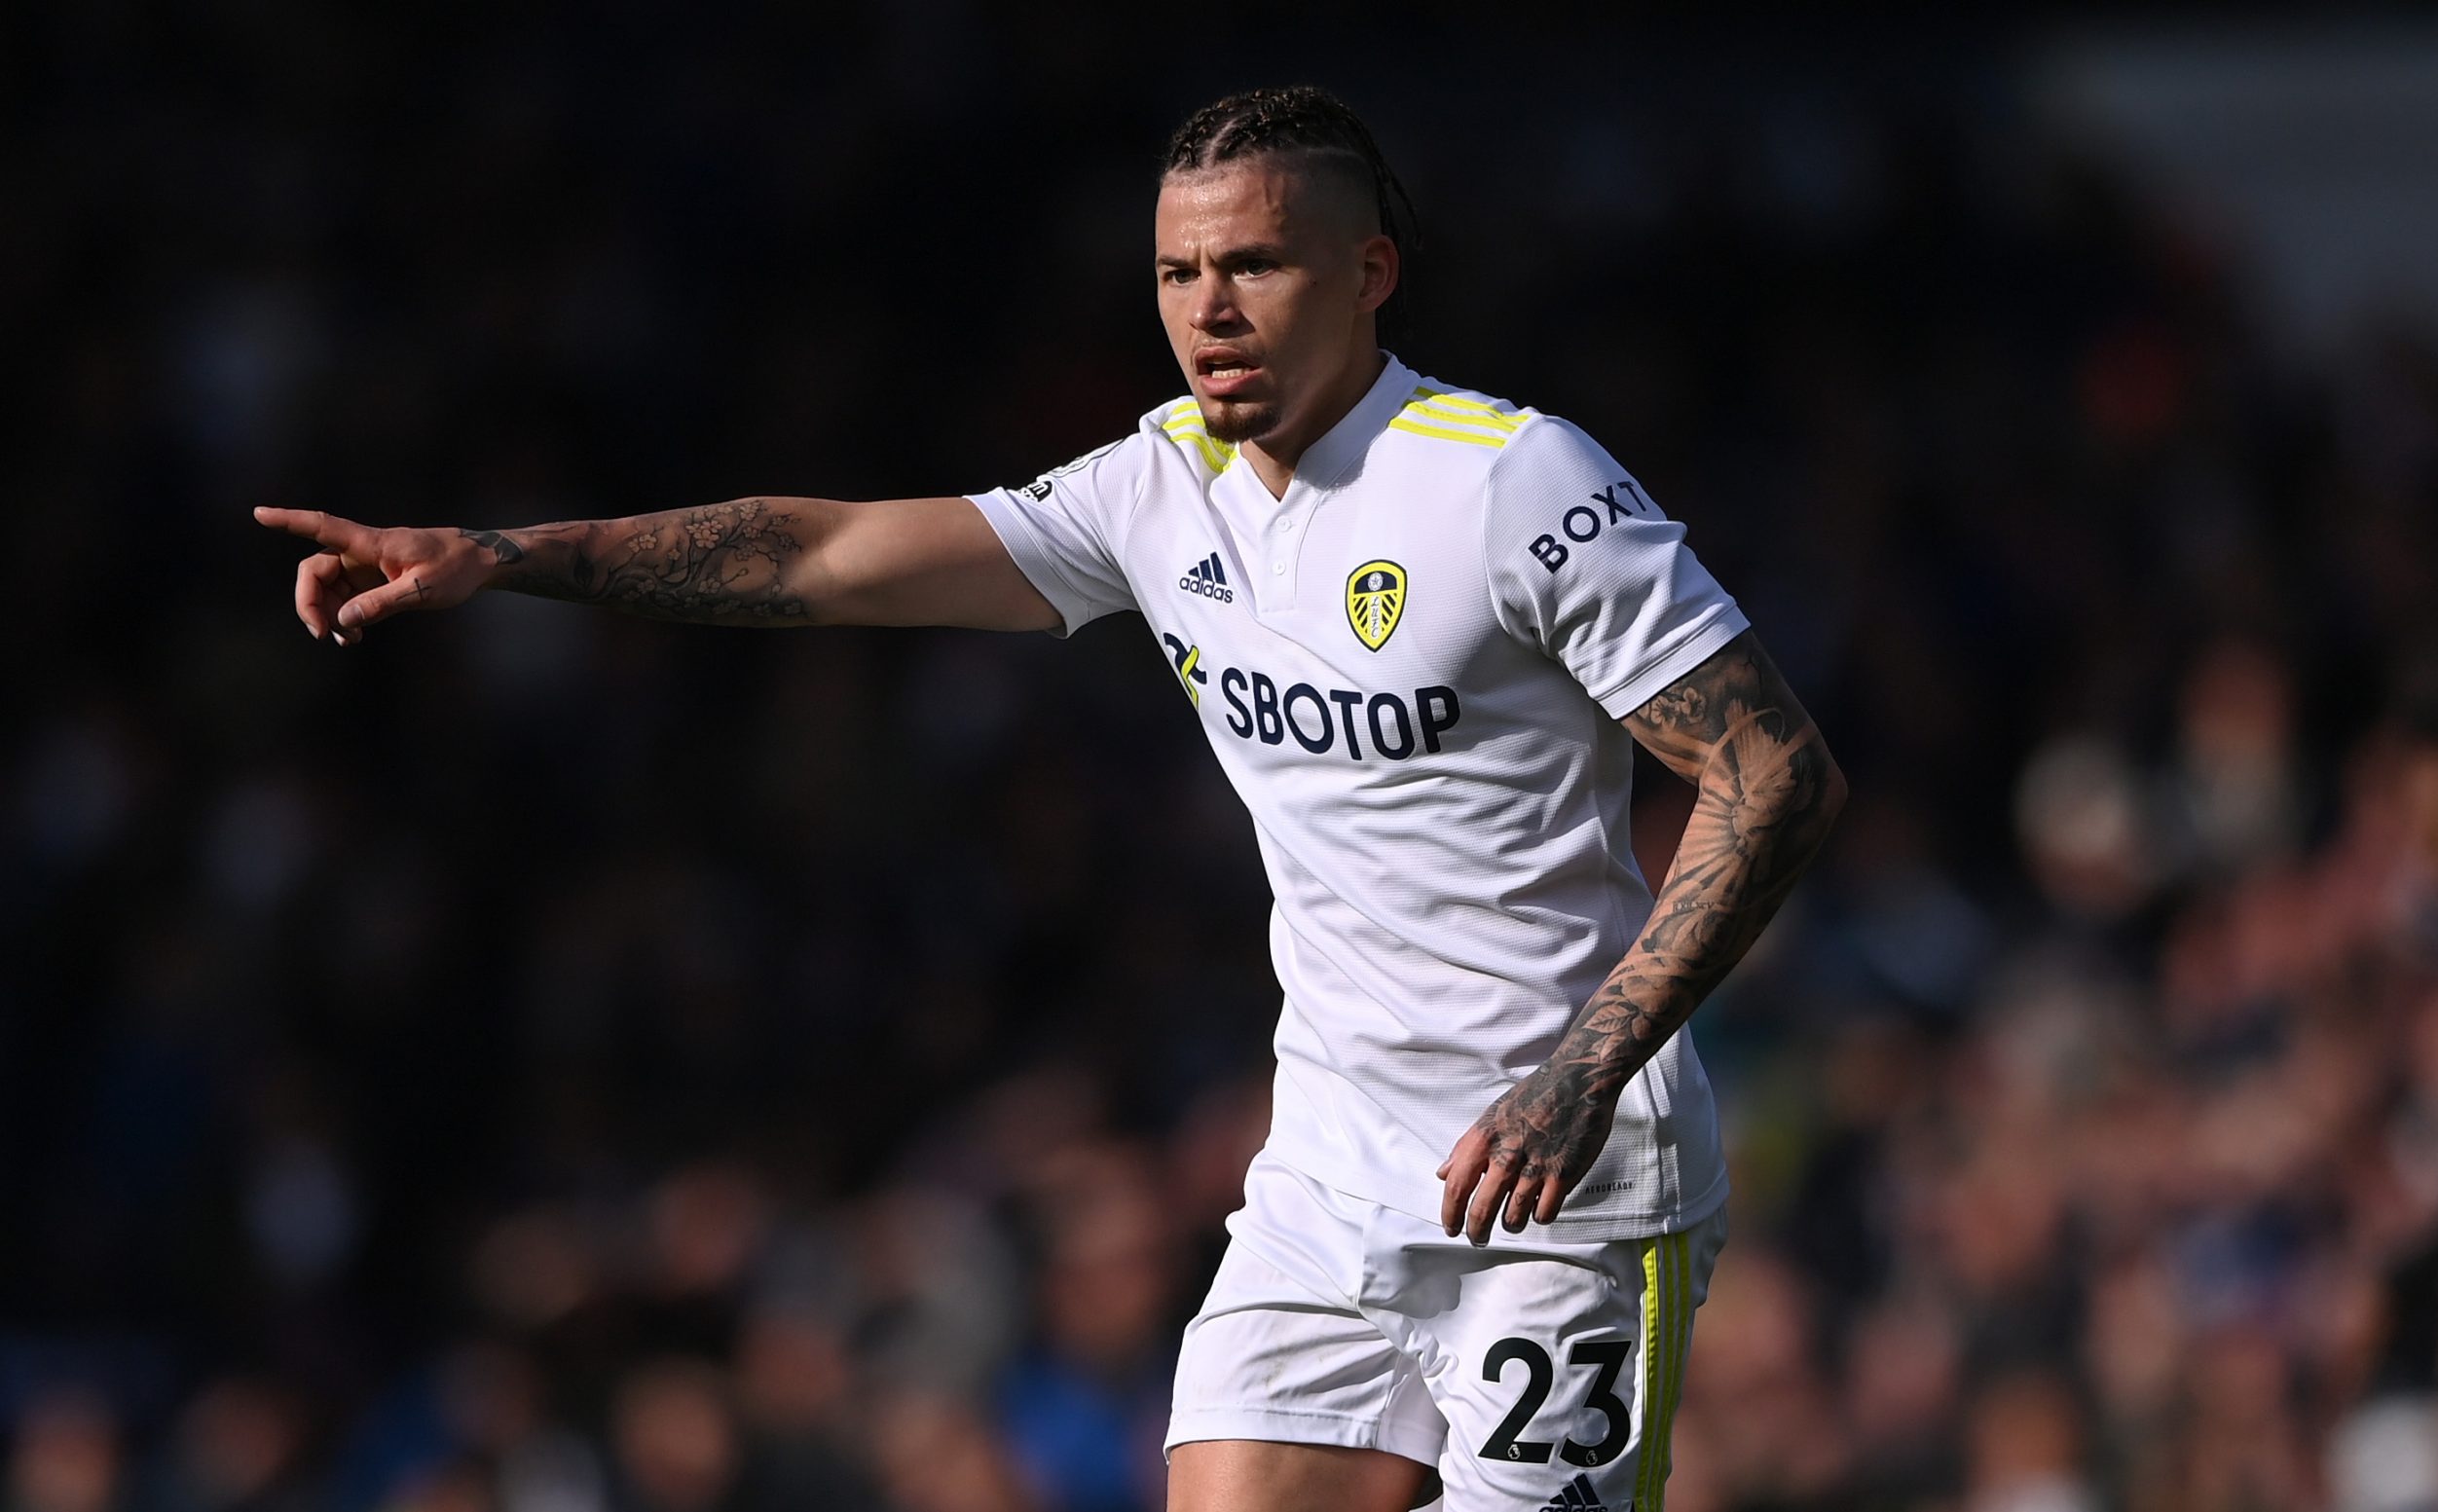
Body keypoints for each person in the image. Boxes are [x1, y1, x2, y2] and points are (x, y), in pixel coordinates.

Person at [256, 86, 1845, 1512]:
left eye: (1257, 267)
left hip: (1568, 1177)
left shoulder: (1513, 481)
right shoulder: (1156, 490)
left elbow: (1776, 772)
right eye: (1176, 274)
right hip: (1333, 1167)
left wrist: (1579, 1071)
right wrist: (510, 555)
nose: (1208, 310)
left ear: (1368, 276)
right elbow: (820, 554)